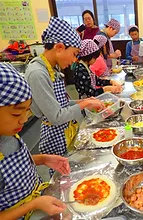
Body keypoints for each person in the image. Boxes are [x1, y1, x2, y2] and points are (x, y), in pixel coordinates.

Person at [25, 17, 105, 176]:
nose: (75, 60)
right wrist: (83, 105)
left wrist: (84, 101)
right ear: (59, 47)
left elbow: (61, 103)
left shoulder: (52, 69)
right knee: (62, 178)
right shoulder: (37, 73)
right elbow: (56, 115)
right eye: (75, 54)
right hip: (54, 136)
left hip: (64, 131)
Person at [0, 63, 70, 219]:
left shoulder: (8, 133)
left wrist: (43, 159)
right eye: (16, 114)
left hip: (37, 201)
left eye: (27, 110)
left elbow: (14, 165)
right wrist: (33, 205)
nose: (24, 120)